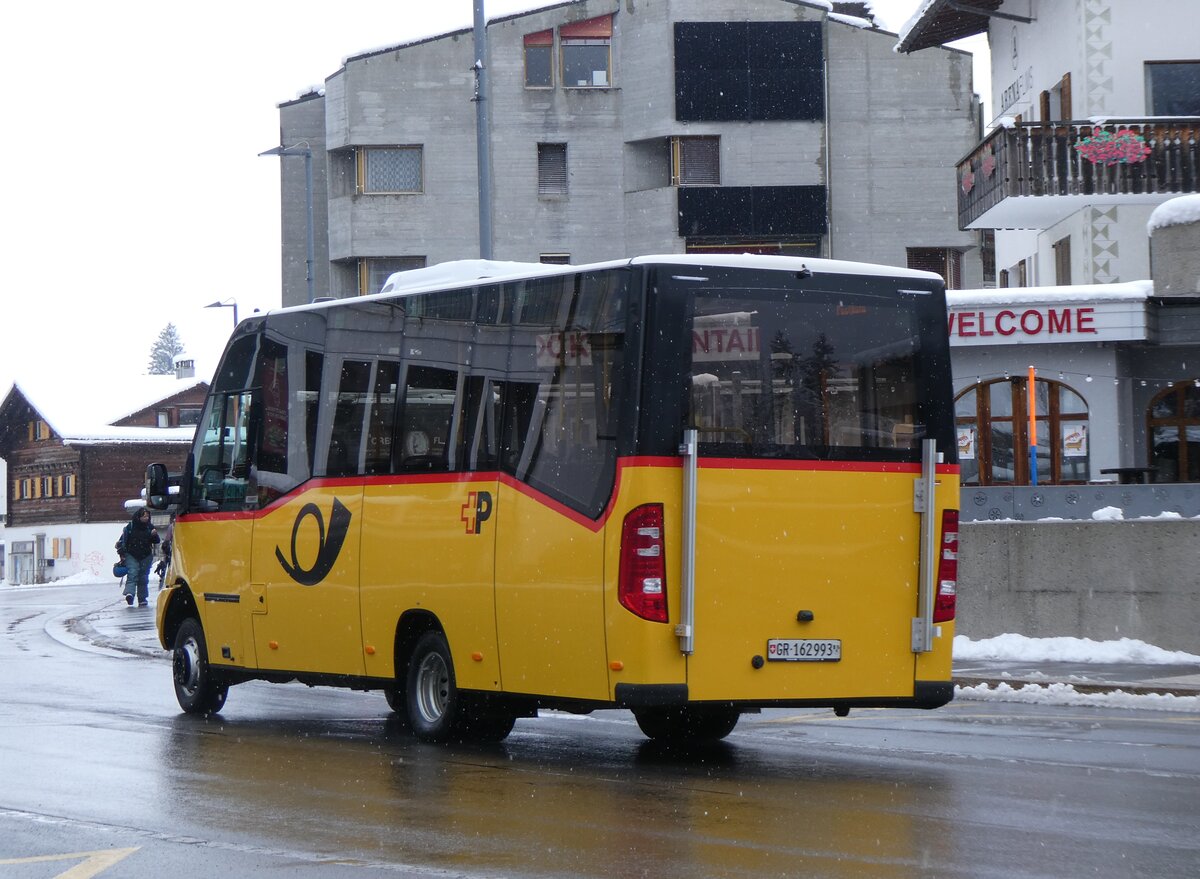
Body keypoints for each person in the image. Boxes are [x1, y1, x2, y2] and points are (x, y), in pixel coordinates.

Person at [116, 508, 160, 607]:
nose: (146, 518)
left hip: (146, 555)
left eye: (147, 516)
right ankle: (129, 594)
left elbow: (156, 541)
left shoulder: (150, 527)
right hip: (131, 554)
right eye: (144, 516)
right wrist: (121, 550)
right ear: (138, 517)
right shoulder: (130, 527)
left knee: (143, 577)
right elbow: (123, 540)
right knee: (132, 573)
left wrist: (154, 535)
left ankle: (142, 598)